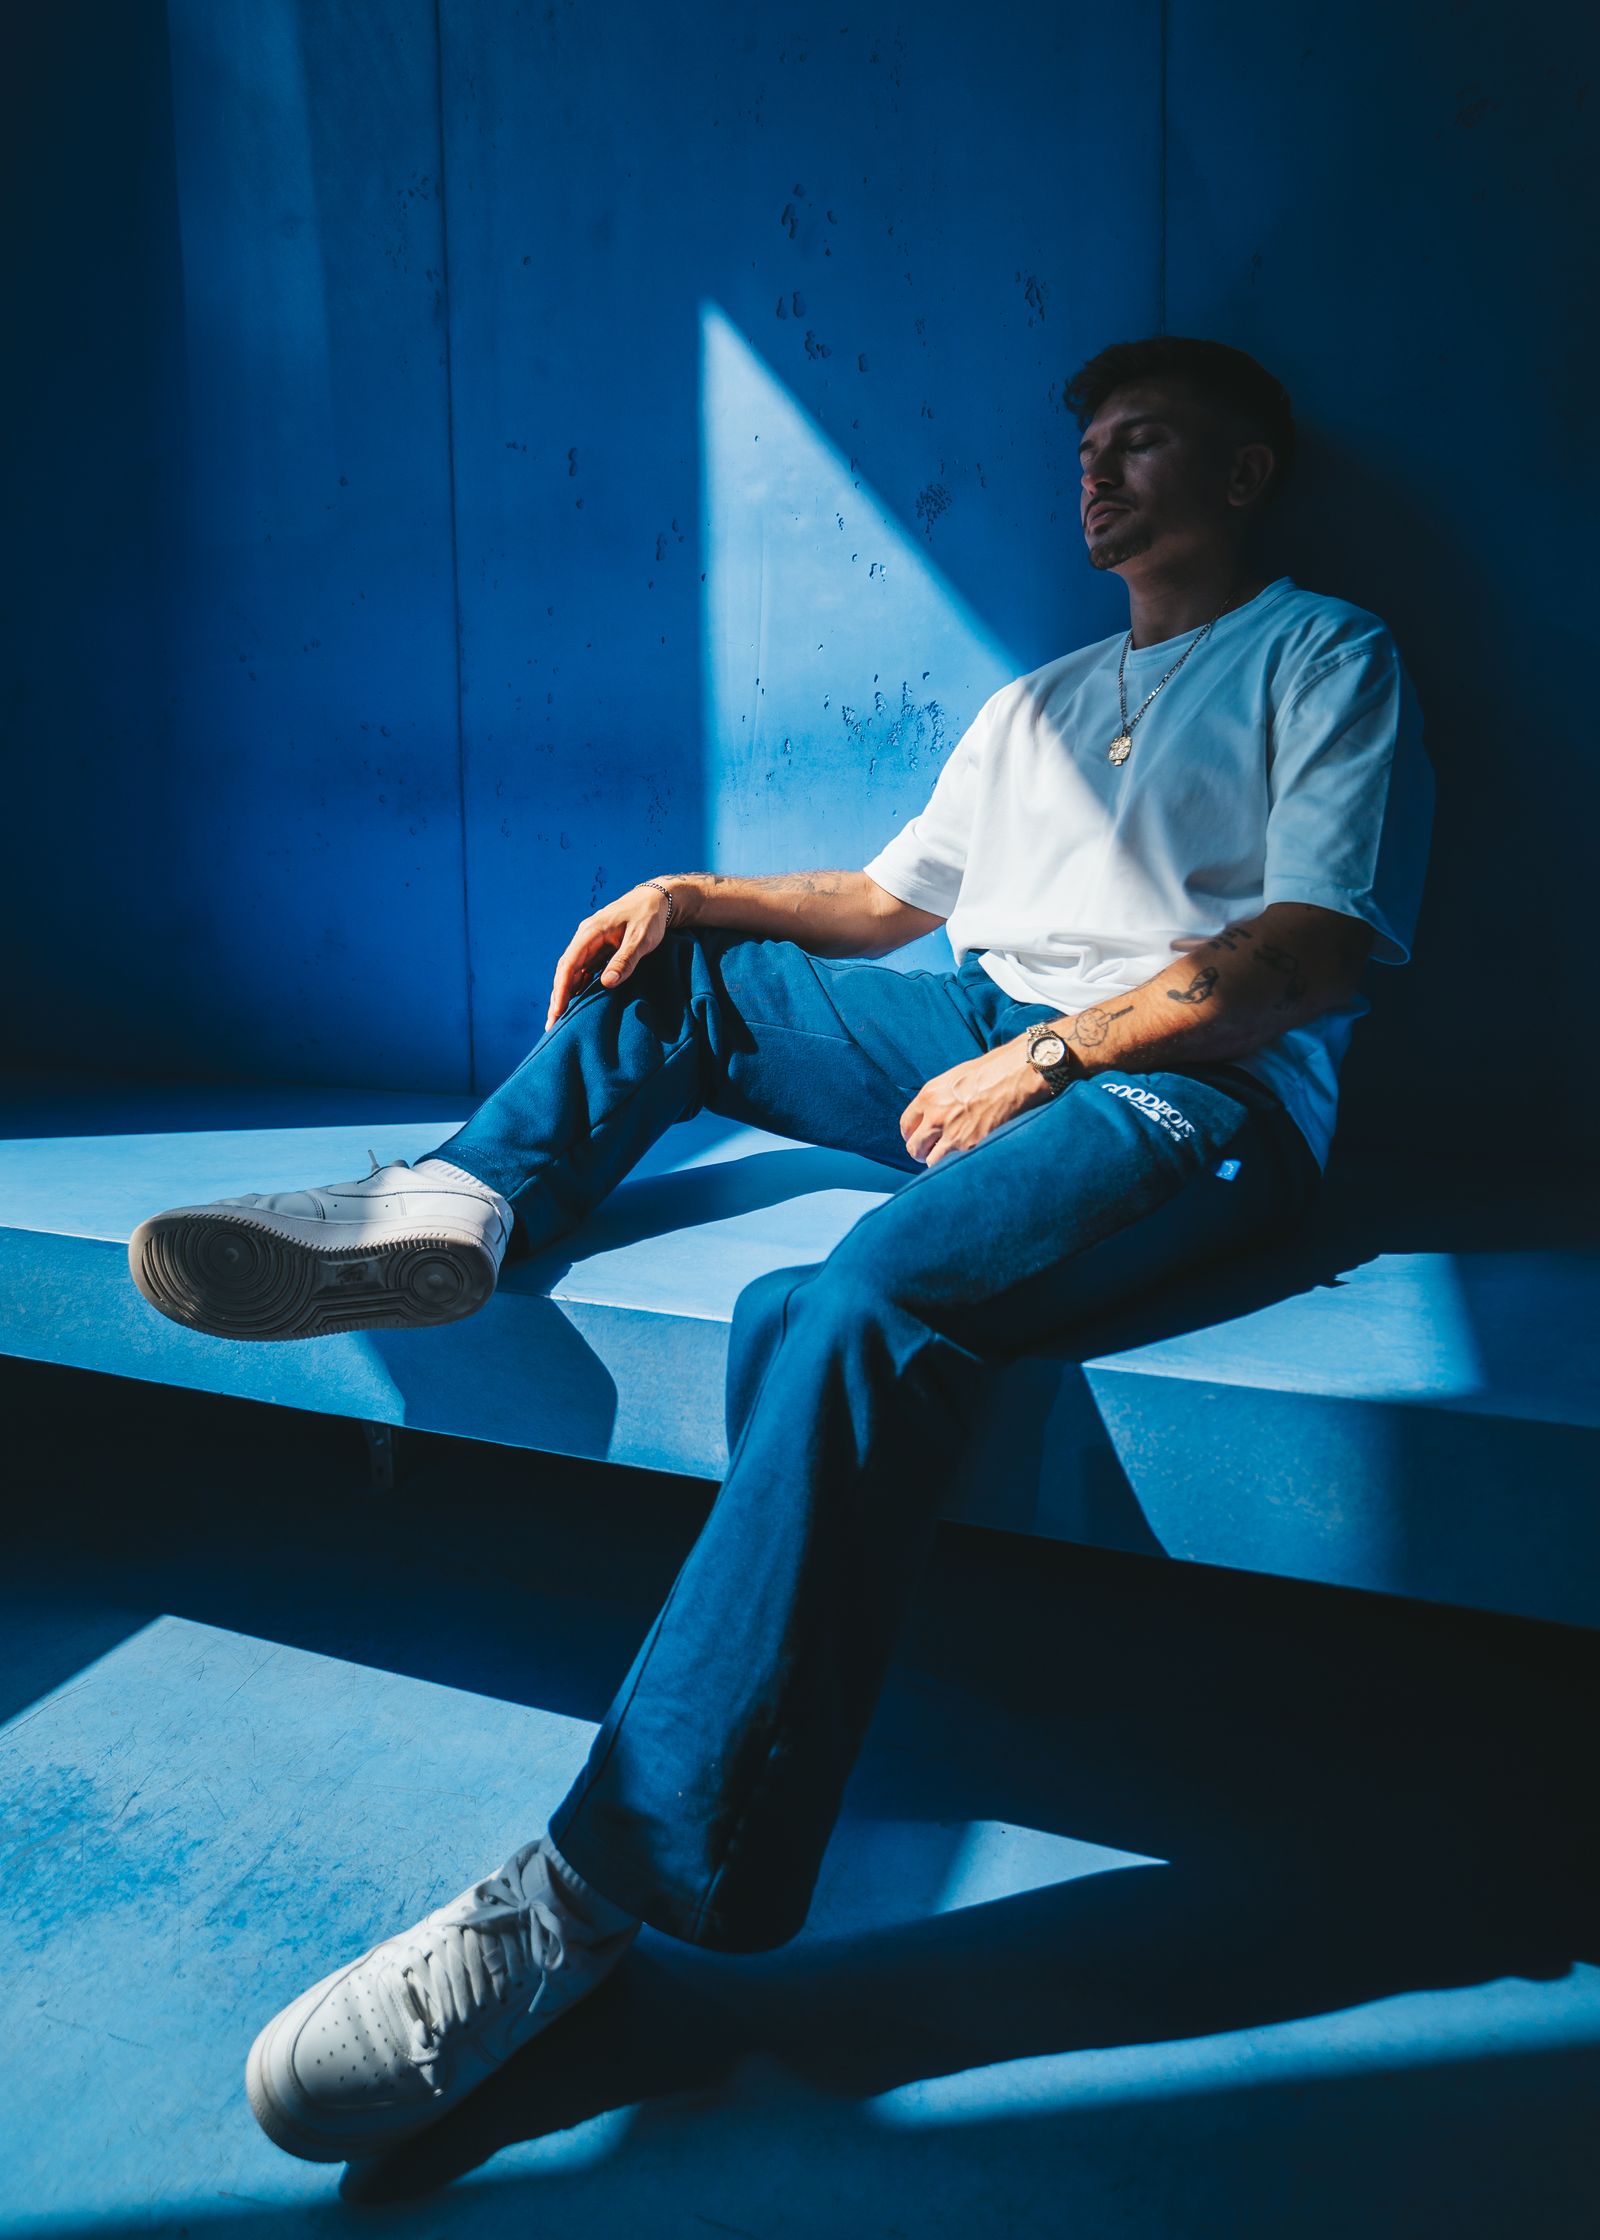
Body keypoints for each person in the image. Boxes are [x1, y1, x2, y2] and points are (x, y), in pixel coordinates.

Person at [129, 335, 1433, 2164]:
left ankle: (594, 1892)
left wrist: (1052, 1060)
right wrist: (693, 894)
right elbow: (889, 906)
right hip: (983, 1024)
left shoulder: (1324, 651)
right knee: (696, 981)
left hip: (1196, 1089)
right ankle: (457, 1207)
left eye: (1143, 443)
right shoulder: (1041, 703)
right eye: (1087, 446)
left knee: (853, 1308)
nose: (1096, 473)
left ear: (1242, 474)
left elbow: (1312, 951)